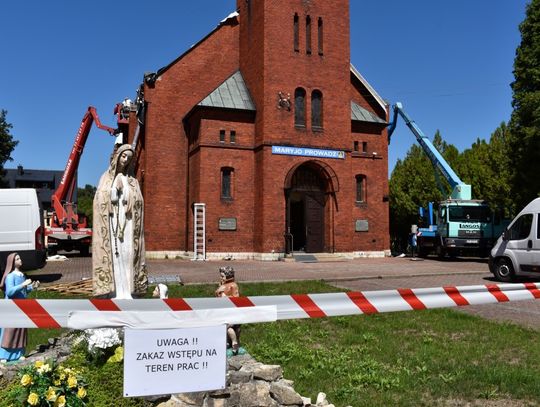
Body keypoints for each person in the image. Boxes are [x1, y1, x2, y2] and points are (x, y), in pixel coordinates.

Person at [92, 143, 147, 298]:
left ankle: (129, 290)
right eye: (123, 156)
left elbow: (139, 200)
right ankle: (114, 291)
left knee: (128, 254)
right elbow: (99, 198)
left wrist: (129, 195)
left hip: (128, 224)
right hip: (112, 222)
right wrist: (114, 192)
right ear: (117, 157)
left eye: (128, 158)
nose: (125, 160)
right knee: (115, 257)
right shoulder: (106, 178)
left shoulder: (133, 181)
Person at [0, 253, 39, 362]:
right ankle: (5, 355)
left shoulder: (21, 275)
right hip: (12, 307)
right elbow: (10, 292)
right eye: (17, 259)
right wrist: (23, 285)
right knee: (10, 330)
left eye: (19, 258)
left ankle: (19, 353)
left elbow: (24, 291)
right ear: (12, 262)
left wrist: (32, 286)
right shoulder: (10, 276)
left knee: (21, 330)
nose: (20, 260)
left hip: (22, 307)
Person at [215, 266, 241, 355]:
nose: (221, 278)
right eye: (221, 276)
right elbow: (217, 294)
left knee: (228, 327)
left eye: (222, 276)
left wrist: (224, 295)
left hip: (232, 311)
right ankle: (227, 342)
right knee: (222, 326)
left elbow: (236, 298)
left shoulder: (233, 285)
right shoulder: (222, 284)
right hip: (223, 310)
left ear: (229, 276)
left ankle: (234, 343)